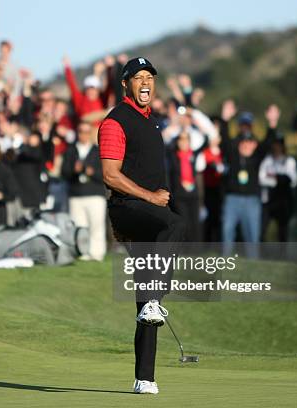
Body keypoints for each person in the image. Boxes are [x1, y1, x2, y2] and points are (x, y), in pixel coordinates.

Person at [98, 57, 186, 394]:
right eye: (139, 77)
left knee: (147, 302)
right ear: (125, 84)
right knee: (176, 226)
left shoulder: (150, 122)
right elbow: (109, 174)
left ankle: (144, 378)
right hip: (129, 209)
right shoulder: (115, 122)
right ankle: (153, 301)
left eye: (150, 77)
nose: (146, 82)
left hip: (149, 212)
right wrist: (150, 198)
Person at [219, 104, 278, 255]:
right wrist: (225, 119)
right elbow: (224, 140)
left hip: (252, 199)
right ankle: (225, 262)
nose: (247, 145)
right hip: (233, 198)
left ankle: (253, 263)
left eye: (250, 142)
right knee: (227, 232)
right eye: (244, 143)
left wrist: (272, 122)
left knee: (253, 235)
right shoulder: (233, 153)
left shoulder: (257, 156)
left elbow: (269, 142)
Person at [61, 122, 106, 261]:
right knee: (80, 226)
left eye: (87, 132)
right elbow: (64, 173)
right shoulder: (70, 151)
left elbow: (106, 174)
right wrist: (74, 170)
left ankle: (97, 252)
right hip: (76, 194)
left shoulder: (98, 151)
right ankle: (82, 252)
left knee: (96, 225)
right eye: (81, 131)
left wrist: (91, 172)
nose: (84, 135)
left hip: (95, 194)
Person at [259, 139, 297, 241]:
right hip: (269, 199)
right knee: (263, 227)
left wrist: (274, 176)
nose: (277, 148)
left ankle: (282, 254)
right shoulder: (268, 160)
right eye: (275, 145)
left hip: (283, 200)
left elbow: (293, 180)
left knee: (283, 230)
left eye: (279, 145)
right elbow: (262, 179)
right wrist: (278, 180)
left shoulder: (289, 161)